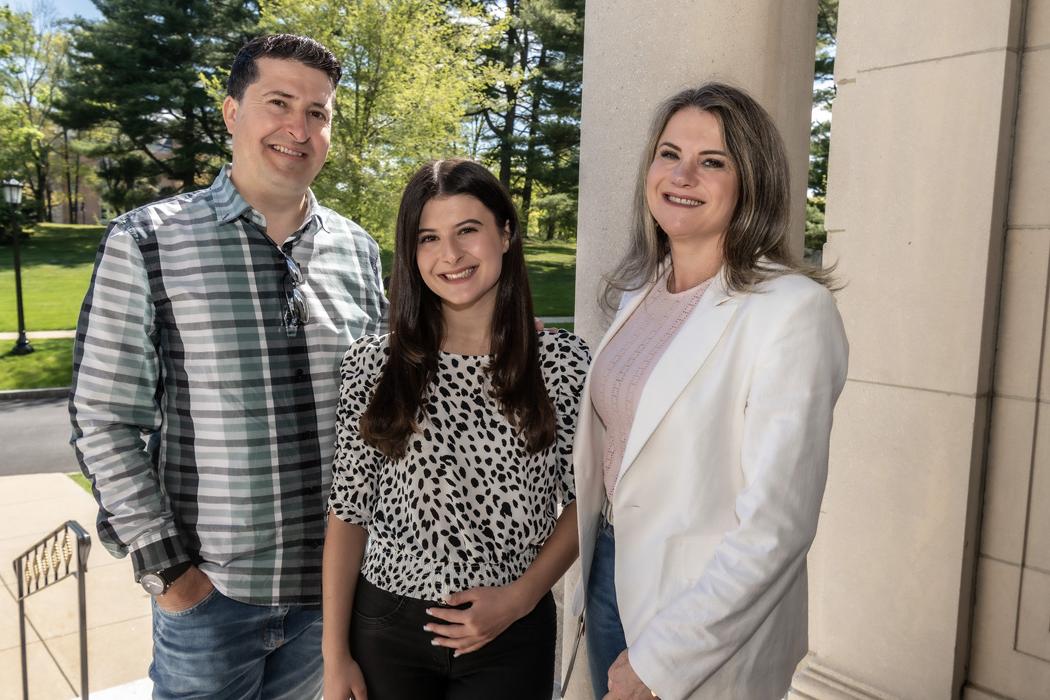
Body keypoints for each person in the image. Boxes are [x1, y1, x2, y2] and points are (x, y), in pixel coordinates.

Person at [68, 34, 387, 699]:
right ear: (231, 111)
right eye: (279, 103)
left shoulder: (357, 250)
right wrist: (172, 577)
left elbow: (387, 404)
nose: (299, 129)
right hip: (213, 604)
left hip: (334, 604)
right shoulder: (148, 241)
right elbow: (104, 420)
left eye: (319, 113)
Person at [570, 83, 849, 700]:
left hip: (699, 618)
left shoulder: (792, 311)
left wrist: (665, 659)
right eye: (669, 154)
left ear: (751, 181)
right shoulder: (640, 289)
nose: (682, 175)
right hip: (609, 573)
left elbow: (777, 525)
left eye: (713, 161)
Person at [322, 159, 590, 700]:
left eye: (468, 230)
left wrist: (519, 598)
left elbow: (587, 499)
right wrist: (334, 656)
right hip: (387, 629)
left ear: (506, 233)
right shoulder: (374, 364)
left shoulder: (561, 363)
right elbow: (348, 513)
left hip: (512, 630)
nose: (450, 255)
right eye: (428, 238)